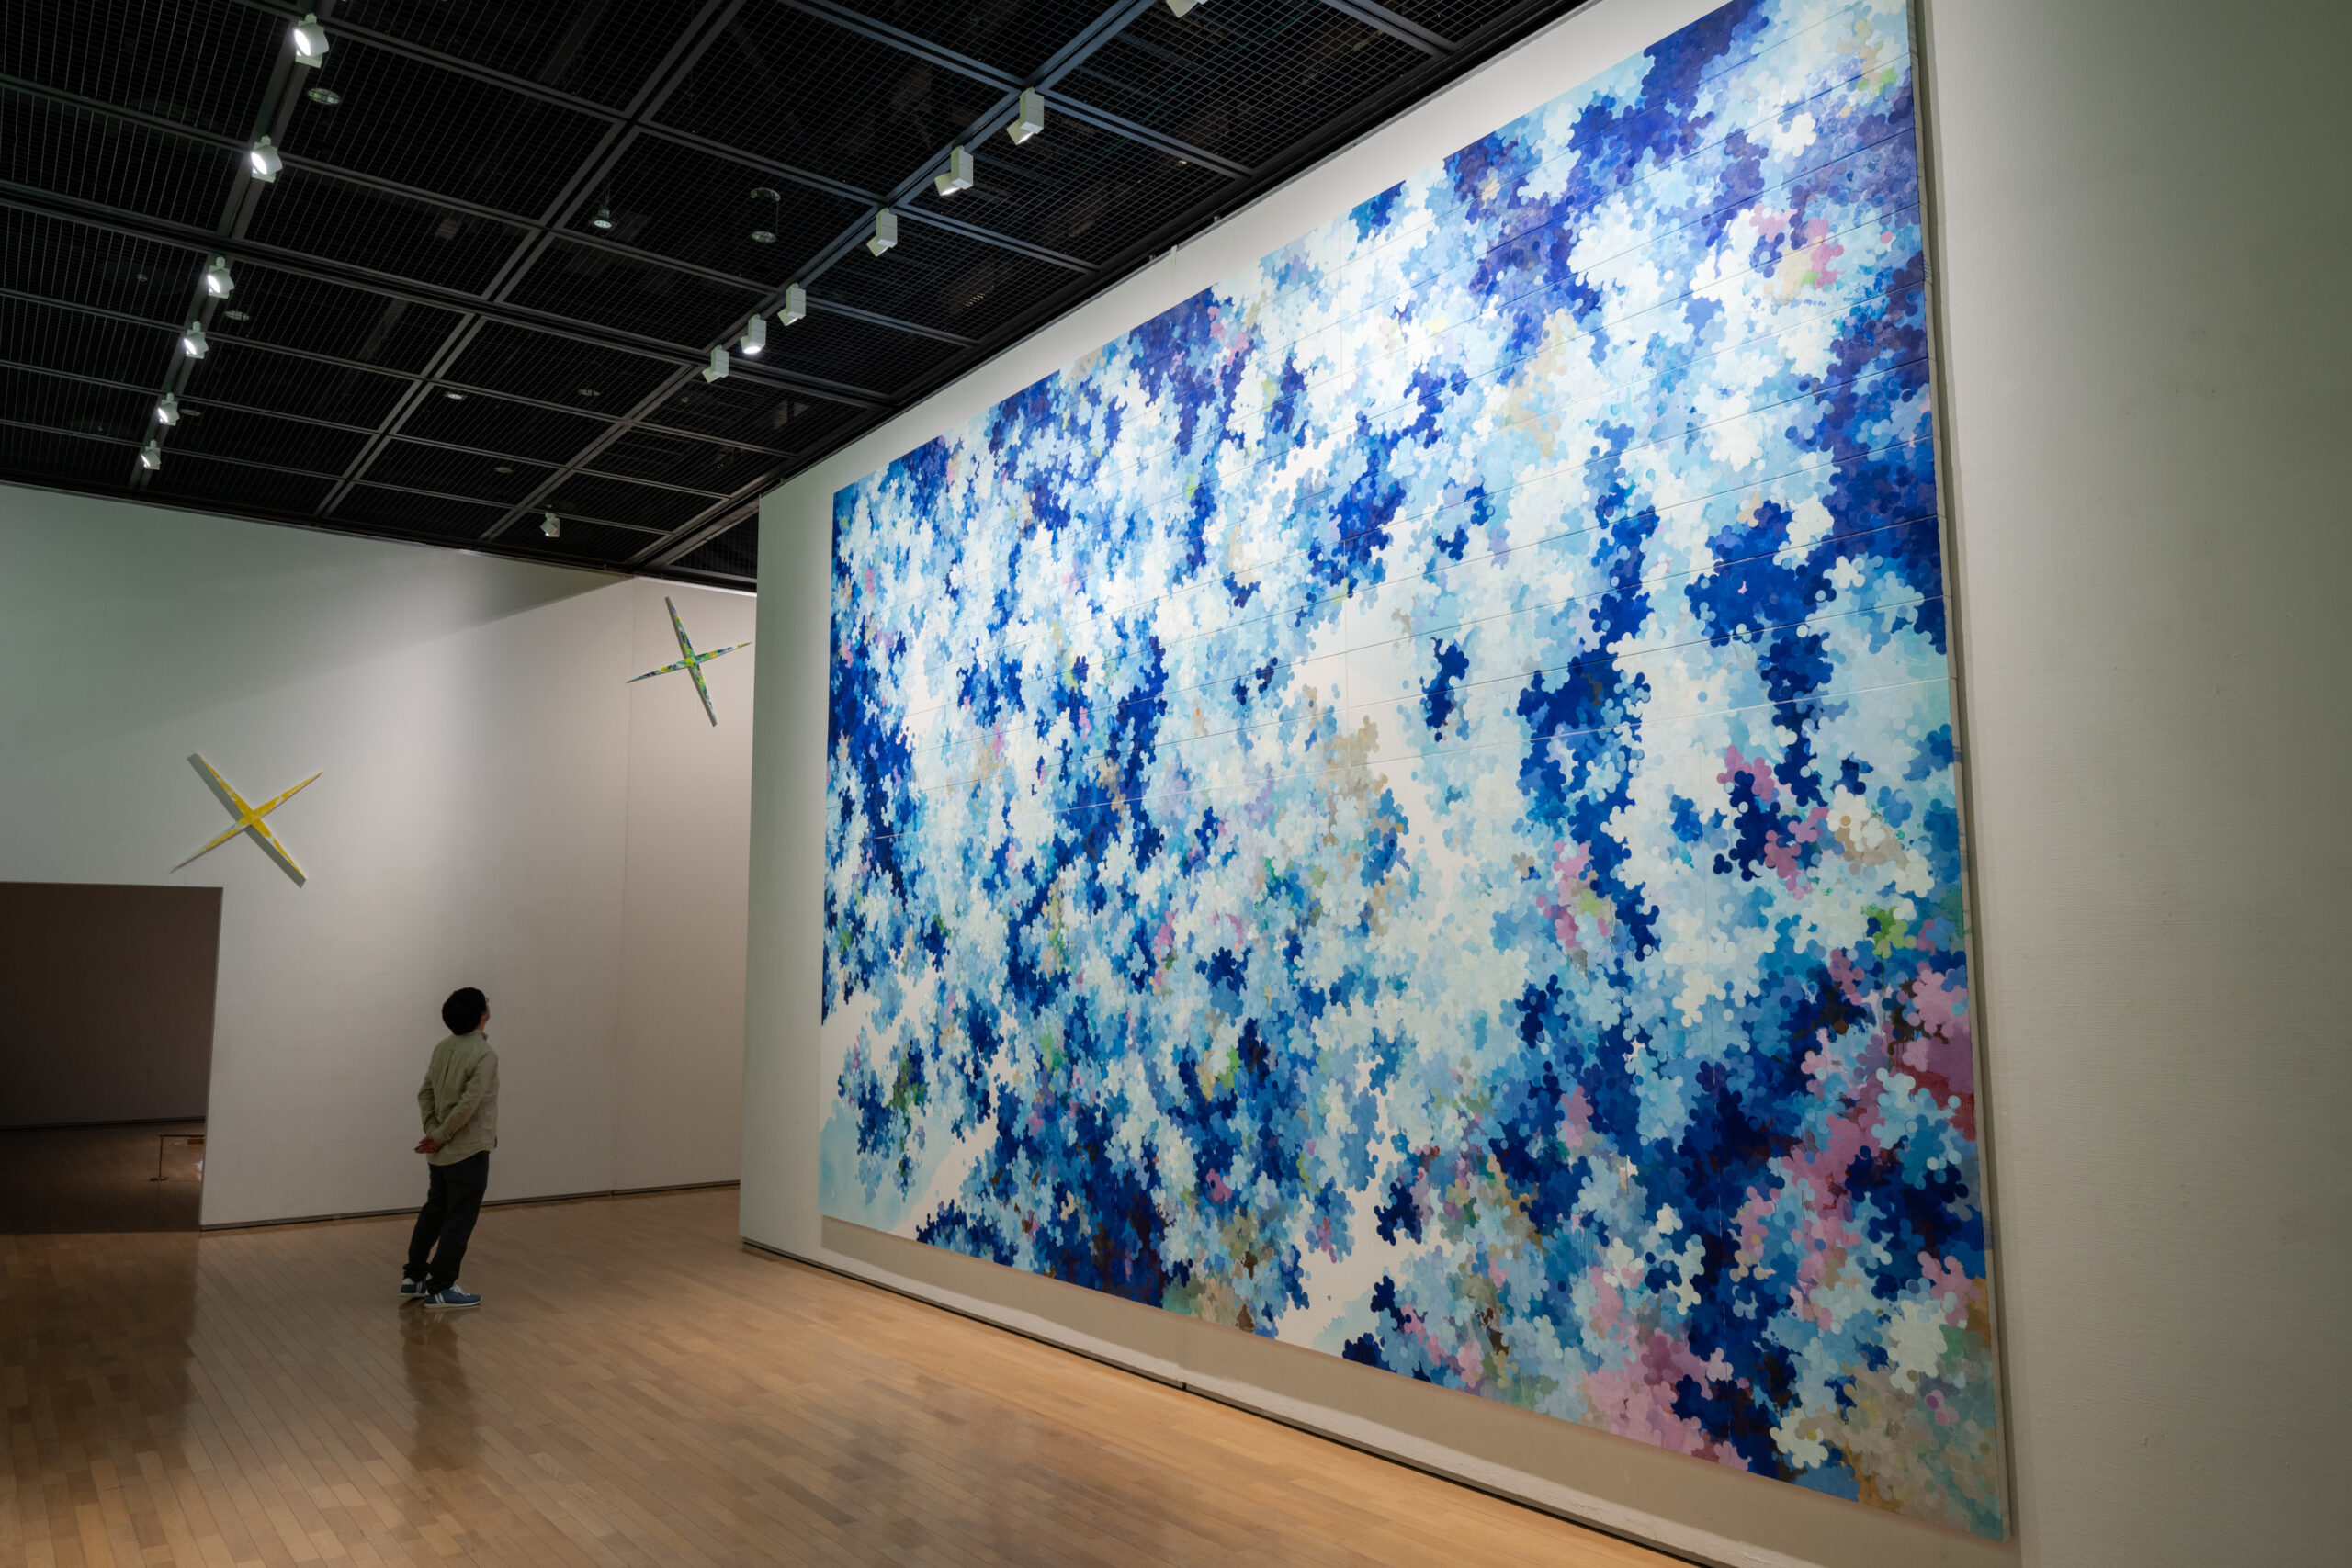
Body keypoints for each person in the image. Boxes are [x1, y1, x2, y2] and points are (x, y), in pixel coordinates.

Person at [401, 987, 499, 1310]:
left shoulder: (443, 1048)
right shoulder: (484, 1054)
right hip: (467, 1152)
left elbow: (425, 1093)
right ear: (482, 1013)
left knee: (434, 1212)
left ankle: (414, 1277)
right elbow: (469, 1105)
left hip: (440, 1152)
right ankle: (442, 1287)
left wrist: (433, 1132)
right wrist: (440, 1135)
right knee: (459, 1219)